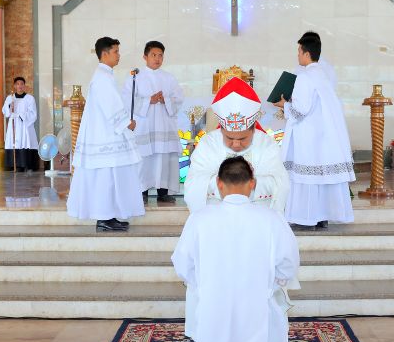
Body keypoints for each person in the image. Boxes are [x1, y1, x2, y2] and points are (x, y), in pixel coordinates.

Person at [154, 156, 311, 342]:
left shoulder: (200, 218)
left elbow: (182, 264)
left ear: (218, 185)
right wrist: (274, 282)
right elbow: (288, 263)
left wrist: (200, 284)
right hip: (258, 314)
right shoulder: (271, 218)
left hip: (215, 310)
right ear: (252, 185)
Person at [274, 34, 355, 230]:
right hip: (323, 136)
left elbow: (301, 110)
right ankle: (321, 216)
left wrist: (284, 105)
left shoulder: (304, 77)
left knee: (307, 176)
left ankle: (306, 217)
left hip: (309, 137)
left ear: (306, 53)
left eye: (299, 51)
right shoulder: (322, 75)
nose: (298, 55)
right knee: (321, 177)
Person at [66, 37, 144, 231]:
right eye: (116, 51)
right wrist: (127, 123)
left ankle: (109, 216)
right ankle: (103, 218)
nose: (119, 55)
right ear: (105, 53)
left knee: (110, 177)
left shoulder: (105, 75)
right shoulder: (102, 77)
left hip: (107, 133)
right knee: (105, 177)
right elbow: (111, 106)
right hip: (105, 136)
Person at [184, 77, 289, 213]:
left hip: (257, 216)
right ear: (221, 129)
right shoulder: (208, 144)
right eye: (229, 137)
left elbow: (281, 184)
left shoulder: (266, 144)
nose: (236, 144)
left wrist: (253, 182)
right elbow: (193, 185)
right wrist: (232, 182)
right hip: (216, 217)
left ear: (253, 129)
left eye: (243, 138)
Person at [122, 41, 184, 204]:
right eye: (153, 55)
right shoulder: (135, 77)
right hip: (145, 126)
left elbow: (179, 99)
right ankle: (141, 191)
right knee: (144, 159)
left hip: (164, 125)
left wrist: (166, 100)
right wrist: (149, 100)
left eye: (160, 55)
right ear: (145, 56)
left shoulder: (169, 78)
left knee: (163, 159)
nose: (157, 58)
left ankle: (163, 192)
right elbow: (127, 99)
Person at [2, 76, 39, 172]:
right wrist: (10, 106)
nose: (20, 86)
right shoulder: (10, 98)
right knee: (14, 142)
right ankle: (14, 165)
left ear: (24, 85)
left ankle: (27, 164)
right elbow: (5, 111)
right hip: (13, 124)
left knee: (26, 141)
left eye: (22, 84)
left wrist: (21, 116)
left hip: (25, 124)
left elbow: (33, 113)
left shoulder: (30, 98)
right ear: (14, 86)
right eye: (17, 84)